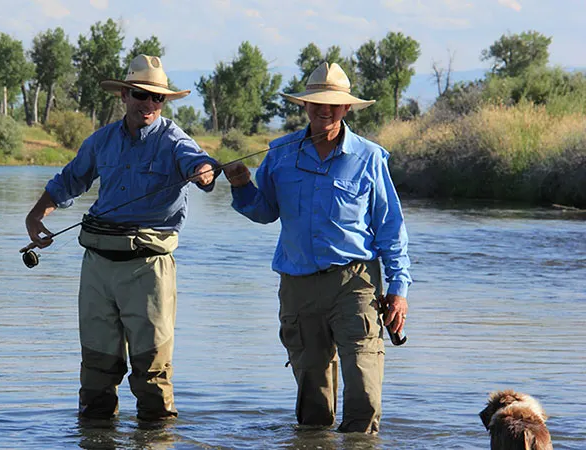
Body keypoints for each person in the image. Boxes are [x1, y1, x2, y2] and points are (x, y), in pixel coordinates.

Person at [25, 54, 218, 422]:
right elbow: (68, 182)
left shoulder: (175, 140)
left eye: (156, 98)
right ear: (124, 96)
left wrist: (204, 173)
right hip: (97, 268)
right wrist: (36, 215)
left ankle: (158, 441)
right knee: (96, 371)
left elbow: (200, 163)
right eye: (140, 95)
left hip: (148, 268)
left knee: (152, 373)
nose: (148, 104)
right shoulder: (101, 142)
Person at [223, 62, 411, 433]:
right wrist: (243, 185)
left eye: (334, 104)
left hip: (356, 284)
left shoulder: (370, 157)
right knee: (314, 405)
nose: (325, 110)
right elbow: (265, 212)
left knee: (365, 396)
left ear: (346, 109)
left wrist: (399, 288)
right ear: (305, 106)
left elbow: (391, 228)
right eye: (317, 103)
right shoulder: (279, 153)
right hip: (298, 286)